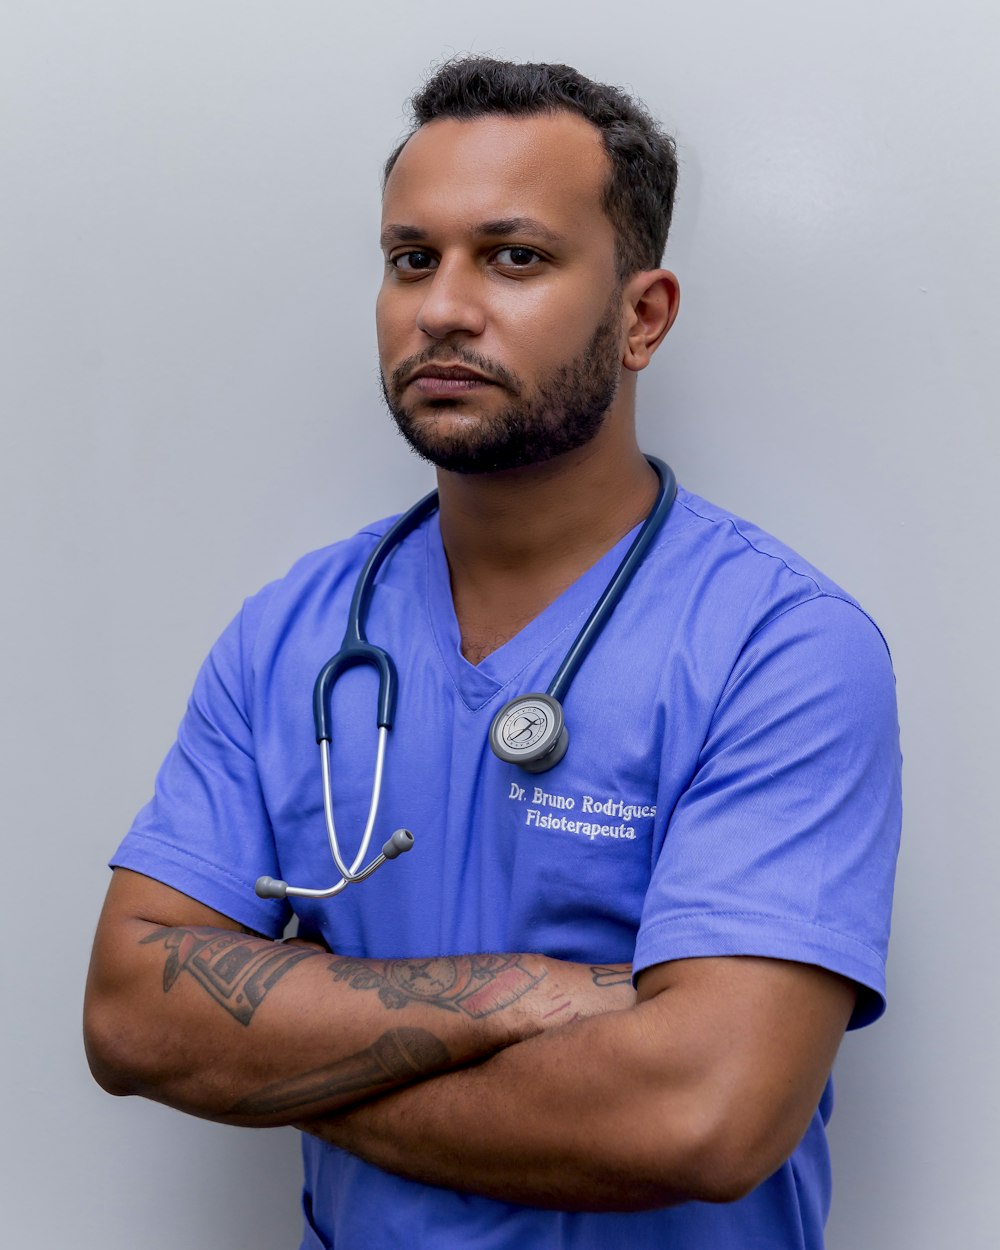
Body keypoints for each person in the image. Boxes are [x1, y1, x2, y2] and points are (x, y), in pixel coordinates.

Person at [84, 57, 902, 1250]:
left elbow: (702, 1116)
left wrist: (291, 1060)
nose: (443, 307)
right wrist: (545, 994)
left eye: (513, 256)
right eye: (412, 257)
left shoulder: (779, 649)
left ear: (642, 316)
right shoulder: (293, 635)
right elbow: (129, 1017)